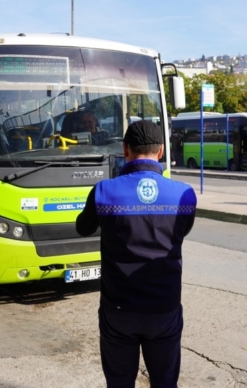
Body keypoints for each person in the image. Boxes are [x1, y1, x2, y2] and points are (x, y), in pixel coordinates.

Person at [76, 120, 197, 387]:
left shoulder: (103, 192)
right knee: (165, 382)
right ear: (161, 151)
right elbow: (181, 232)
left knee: (119, 382)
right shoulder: (184, 195)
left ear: (125, 149)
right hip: (164, 308)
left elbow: (83, 228)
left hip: (119, 309)